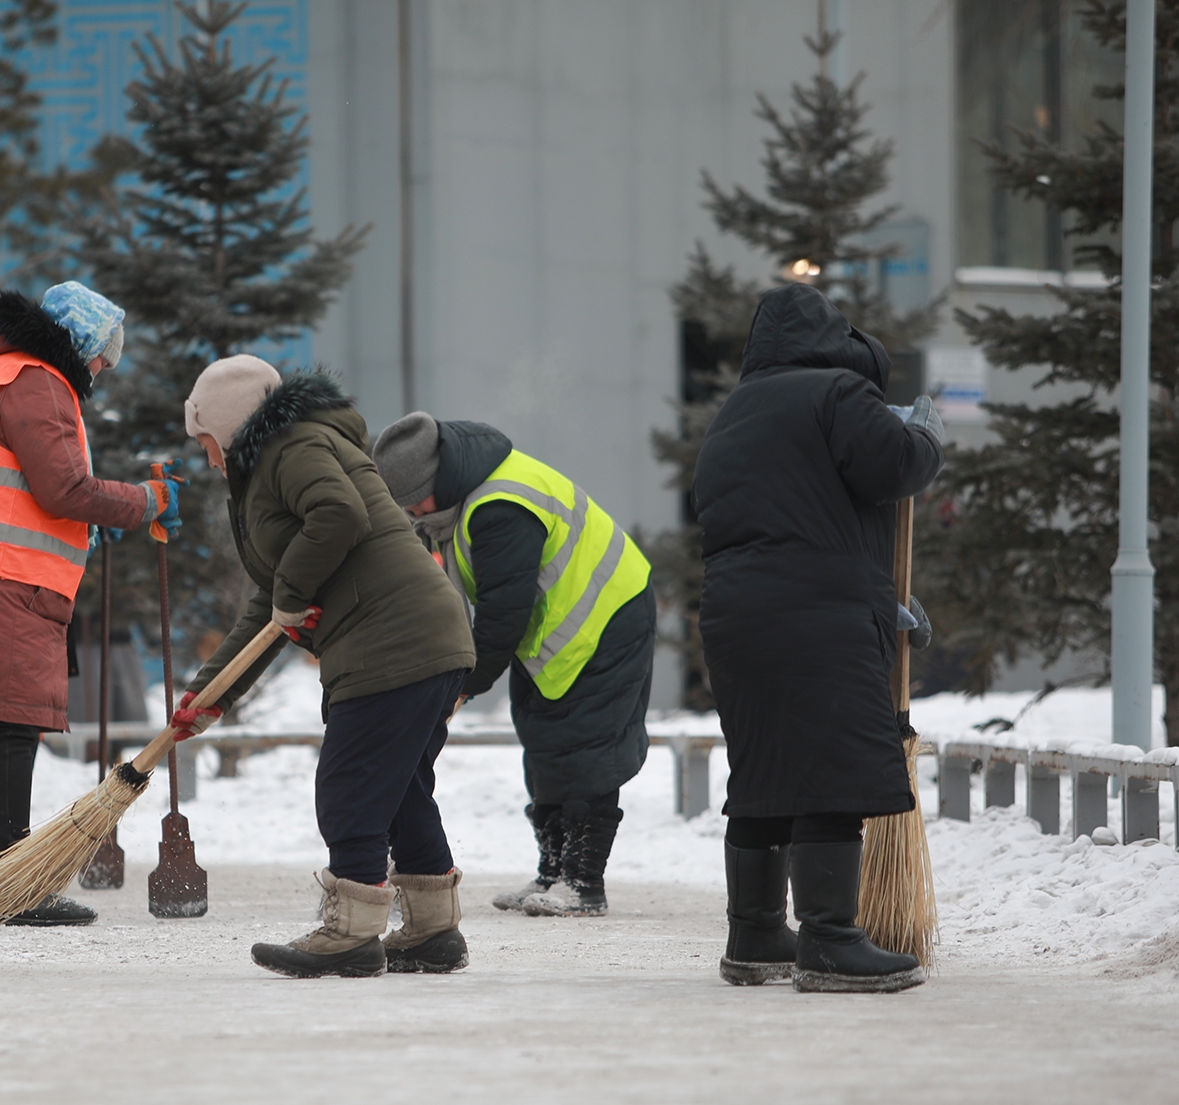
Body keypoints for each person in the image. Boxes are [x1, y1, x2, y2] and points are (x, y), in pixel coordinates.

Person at [173, 356, 476, 978]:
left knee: (351, 786)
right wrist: (211, 693)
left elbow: (339, 514)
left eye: (205, 442)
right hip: (424, 634)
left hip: (391, 638)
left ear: (227, 425)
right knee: (399, 790)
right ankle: (432, 931)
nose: (208, 459)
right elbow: (273, 602)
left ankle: (352, 934)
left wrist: (291, 591)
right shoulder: (287, 457)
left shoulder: (290, 446)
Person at [692, 283, 942, 993]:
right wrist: (925, 438)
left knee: (763, 769)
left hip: (736, 616)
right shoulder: (836, 391)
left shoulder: (733, 412)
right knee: (831, 767)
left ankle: (754, 933)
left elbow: (781, 514)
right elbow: (892, 467)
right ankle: (830, 939)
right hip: (817, 611)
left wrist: (876, 593)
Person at [0, 282, 179, 926]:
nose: (101, 372)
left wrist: (89, 524)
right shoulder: (35, 380)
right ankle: (14, 889)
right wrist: (145, 501)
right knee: (10, 726)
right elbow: (63, 486)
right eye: (102, 358)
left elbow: (25, 487)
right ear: (81, 343)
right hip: (3, 582)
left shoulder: (3, 372)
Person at [373, 413, 655, 918]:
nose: (412, 511)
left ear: (439, 479)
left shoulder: (498, 506)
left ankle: (583, 882)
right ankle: (552, 872)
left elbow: (503, 614)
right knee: (543, 738)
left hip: (606, 613)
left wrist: (464, 684)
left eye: (416, 499)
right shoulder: (454, 508)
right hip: (551, 627)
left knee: (587, 744)